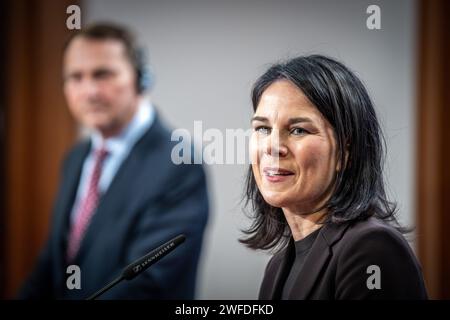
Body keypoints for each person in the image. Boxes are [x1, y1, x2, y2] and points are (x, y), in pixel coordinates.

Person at [19, 23, 209, 299]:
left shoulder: (179, 164)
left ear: (141, 79)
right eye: (76, 77)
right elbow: (53, 263)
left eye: (102, 74)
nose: (89, 91)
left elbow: (145, 283)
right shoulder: (75, 159)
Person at [241, 55, 428, 300]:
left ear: (345, 151)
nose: (272, 147)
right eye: (263, 129)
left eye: (298, 130)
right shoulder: (276, 268)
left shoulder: (372, 249)